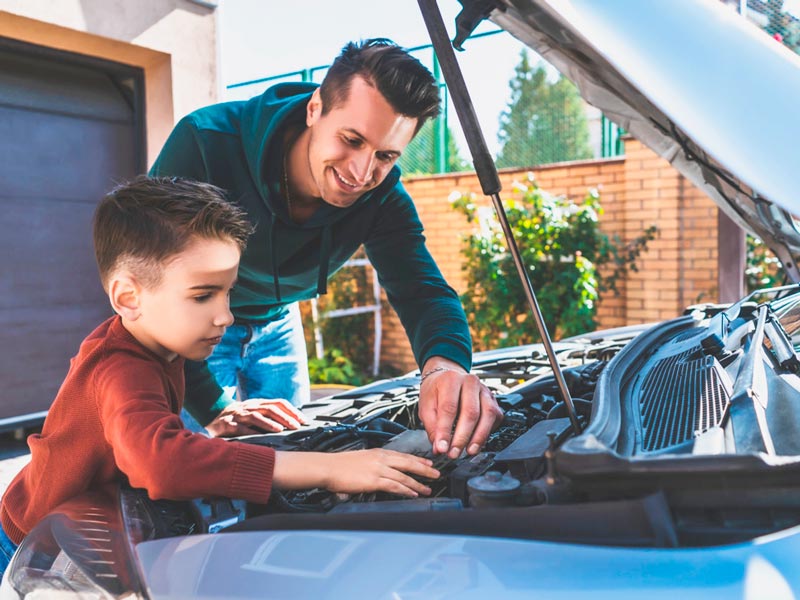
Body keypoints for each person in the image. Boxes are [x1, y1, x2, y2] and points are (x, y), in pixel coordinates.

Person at [0, 177, 439, 576]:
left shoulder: (155, 345)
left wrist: (211, 427)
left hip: (79, 530)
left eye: (228, 291)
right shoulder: (120, 367)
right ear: (128, 297)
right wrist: (327, 469)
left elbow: (129, 435)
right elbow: (161, 462)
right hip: (29, 548)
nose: (226, 315)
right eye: (203, 295)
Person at [150, 38, 504, 458]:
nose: (361, 173)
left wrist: (445, 367)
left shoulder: (383, 198)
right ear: (315, 107)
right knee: (204, 481)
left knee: (301, 462)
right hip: (195, 333)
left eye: (385, 155)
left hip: (279, 325)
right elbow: (155, 289)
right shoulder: (205, 144)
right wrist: (213, 406)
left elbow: (422, 290)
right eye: (352, 140)